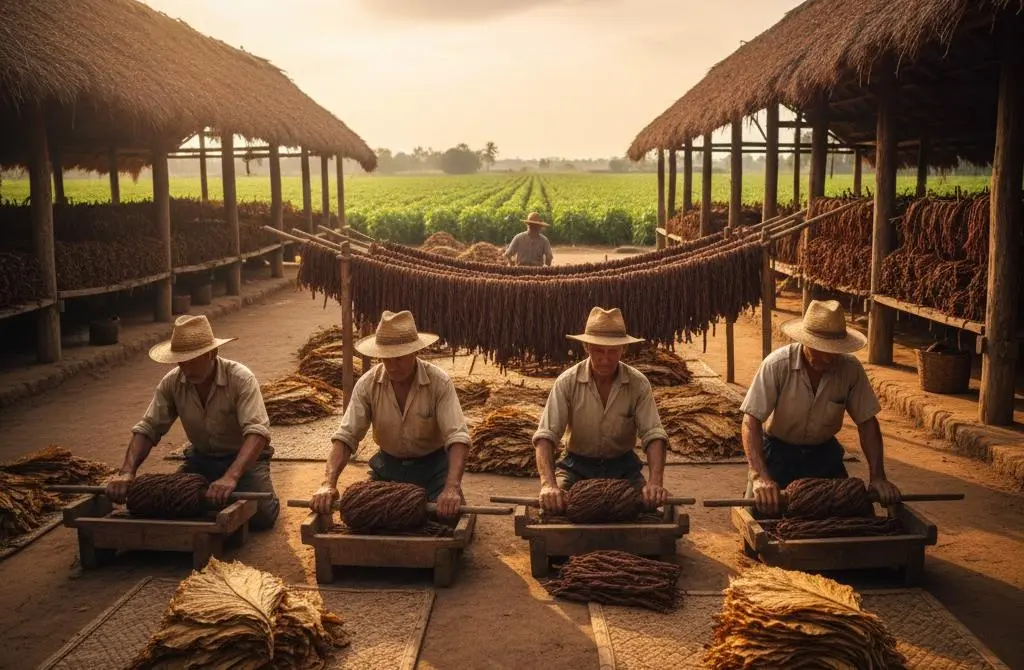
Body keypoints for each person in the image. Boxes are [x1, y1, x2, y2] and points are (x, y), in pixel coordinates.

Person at [105, 314, 279, 530]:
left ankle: (251, 491)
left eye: (193, 361)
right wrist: (127, 472)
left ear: (212, 354)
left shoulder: (241, 379)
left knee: (261, 516)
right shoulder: (172, 382)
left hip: (242, 460)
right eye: (181, 362)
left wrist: (231, 477)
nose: (186, 369)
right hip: (200, 459)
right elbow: (148, 428)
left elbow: (257, 433)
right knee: (172, 504)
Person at [740, 299, 902, 516]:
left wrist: (878, 476)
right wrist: (760, 476)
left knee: (856, 513)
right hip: (778, 454)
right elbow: (751, 421)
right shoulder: (776, 365)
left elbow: (867, 424)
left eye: (834, 350)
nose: (828, 357)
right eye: (821, 348)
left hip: (823, 456)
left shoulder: (850, 370)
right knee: (759, 512)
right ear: (805, 341)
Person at [310, 310, 471, 519]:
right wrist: (328, 483)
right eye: (387, 358)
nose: (393, 366)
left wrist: (452, 487)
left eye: (400, 358)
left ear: (415, 352)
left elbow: (458, 437)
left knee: (447, 518)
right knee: (359, 517)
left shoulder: (439, 382)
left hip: (434, 469)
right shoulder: (367, 384)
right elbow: (346, 436)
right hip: (388, 470)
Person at [532, 306, 671, 514]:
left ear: (623, 349)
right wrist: (548, 485)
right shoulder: (566, 382)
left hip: (623, 468)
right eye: (598, 350)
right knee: (555, 507)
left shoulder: (638, 384)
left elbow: (654, 435)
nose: (605, 359)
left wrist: (655, 483)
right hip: (576, 467)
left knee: (647, 507)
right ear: (586, 347)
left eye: (613, 351)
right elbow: (545, 437)